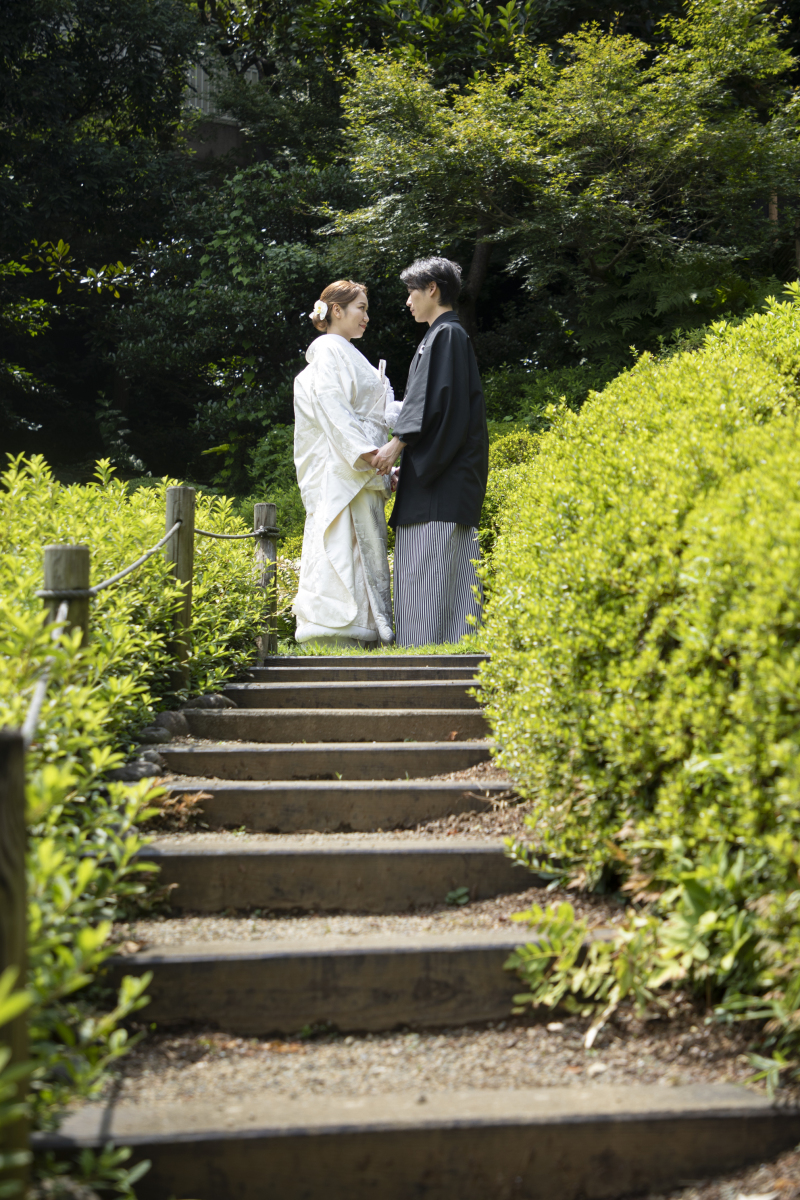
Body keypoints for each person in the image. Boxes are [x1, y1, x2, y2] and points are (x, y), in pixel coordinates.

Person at [371, 257, 488, 647]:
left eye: (411, 292)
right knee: (455, 587)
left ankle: (415, 666)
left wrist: (395, 445)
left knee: (424, 577)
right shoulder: (449, 336)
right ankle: (457, 665)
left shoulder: (445, 336)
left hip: (438, 489)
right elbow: (442, 408)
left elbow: (430, 402)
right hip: (451, 479)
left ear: (432, 289)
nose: (408, 302)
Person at [291, 279, 402, 647]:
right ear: (336, 311)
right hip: (345, 465)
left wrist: (384, 457)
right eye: (361, 308)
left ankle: (368, 627)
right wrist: (369, 453)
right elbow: (331, 405)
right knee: (343, 541)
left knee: (365, 543)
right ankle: (334, 627)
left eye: (366, 309)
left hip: (365, 464)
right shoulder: (327, 349)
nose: (366, 317)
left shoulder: (349, 354)